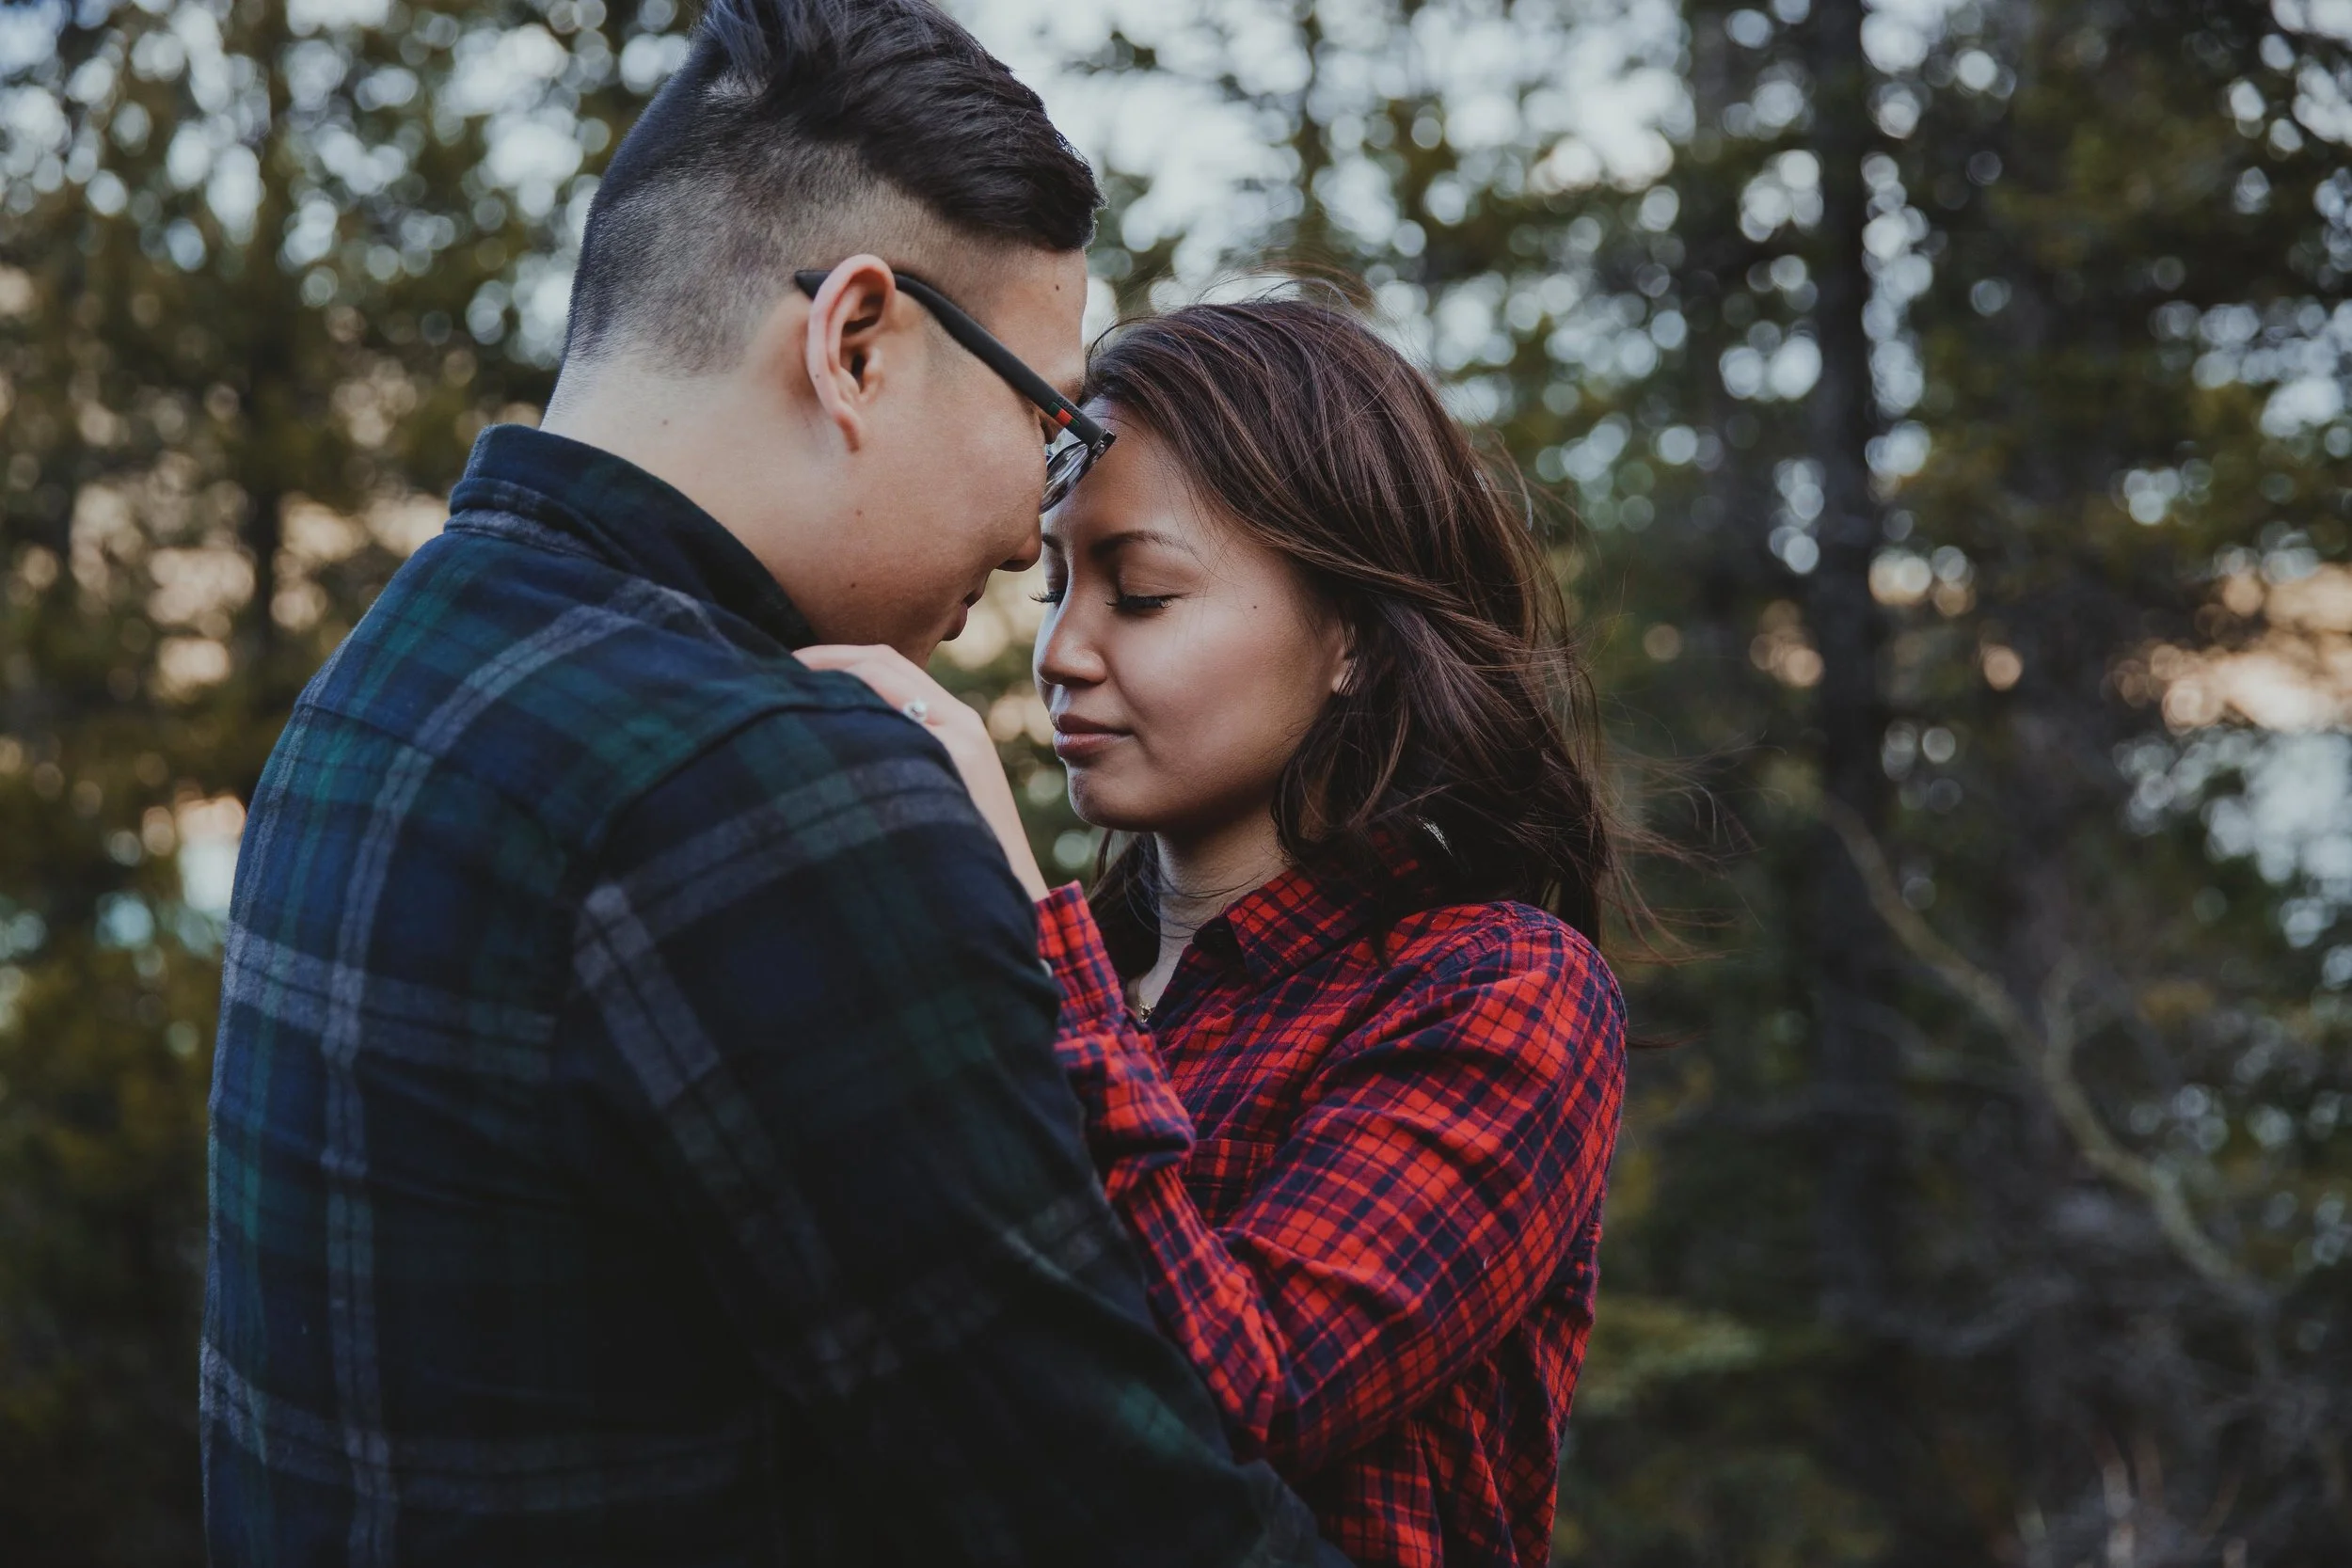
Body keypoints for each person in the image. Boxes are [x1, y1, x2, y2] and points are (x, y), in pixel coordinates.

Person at [199, 1, 1345, 1563]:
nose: (1033, 528)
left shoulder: (394, 670)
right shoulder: (766, 787)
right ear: (856, 342)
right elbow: (1126, 1516)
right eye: (1044, 413)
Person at [805, 297, 1632, 1568]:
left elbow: (1240, 1398)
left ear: (1351, 635)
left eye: (1140, 592)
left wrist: (1025, 936)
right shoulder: (1087, 981)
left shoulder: (1497, 986)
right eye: (1059, 584)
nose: (1065, 652)